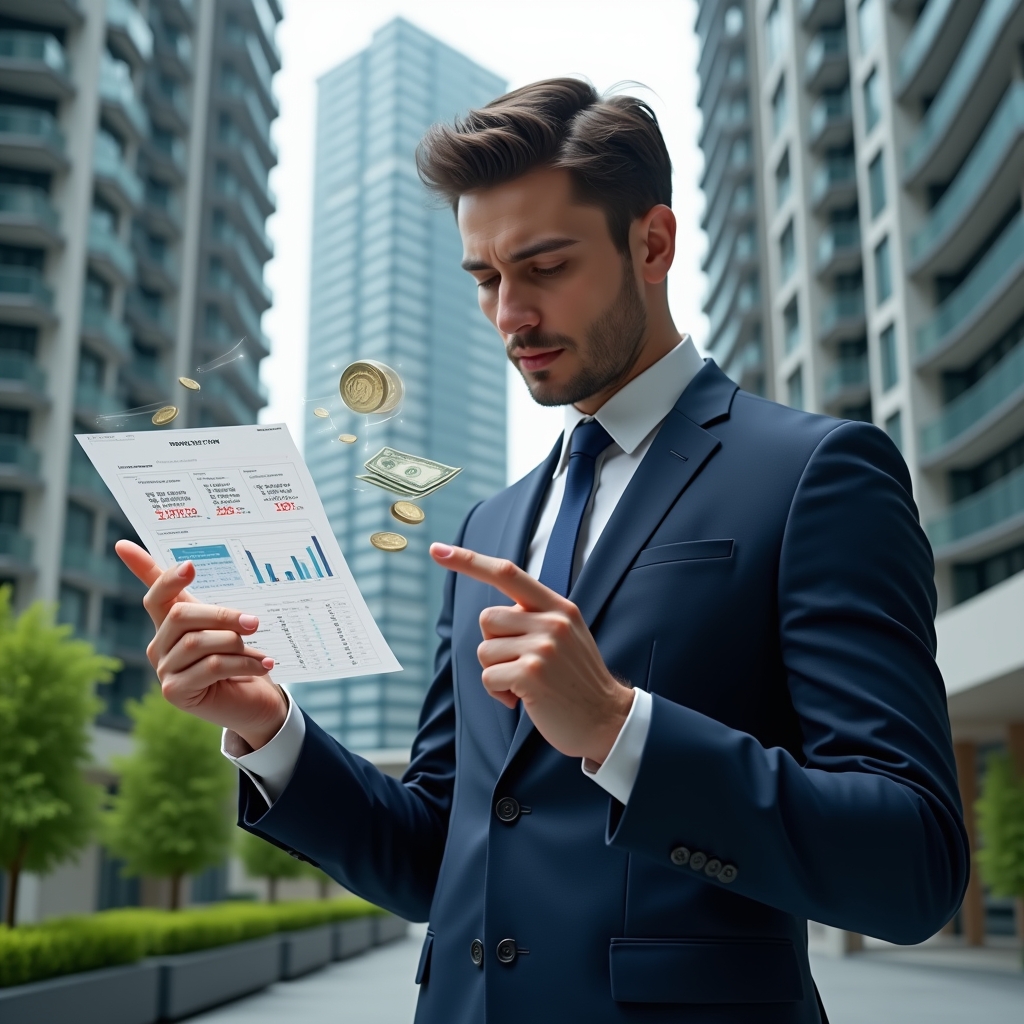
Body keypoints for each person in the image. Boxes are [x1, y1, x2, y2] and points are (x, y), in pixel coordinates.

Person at [118, 79, 969, 1023]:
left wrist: (617, 726)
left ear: (653, 243)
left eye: (545, 266)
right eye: (485, 278)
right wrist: (272, 730)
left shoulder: (816, 474)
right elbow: (438, 853)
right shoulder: (491, 525)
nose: (508, 313)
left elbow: (914, 865)